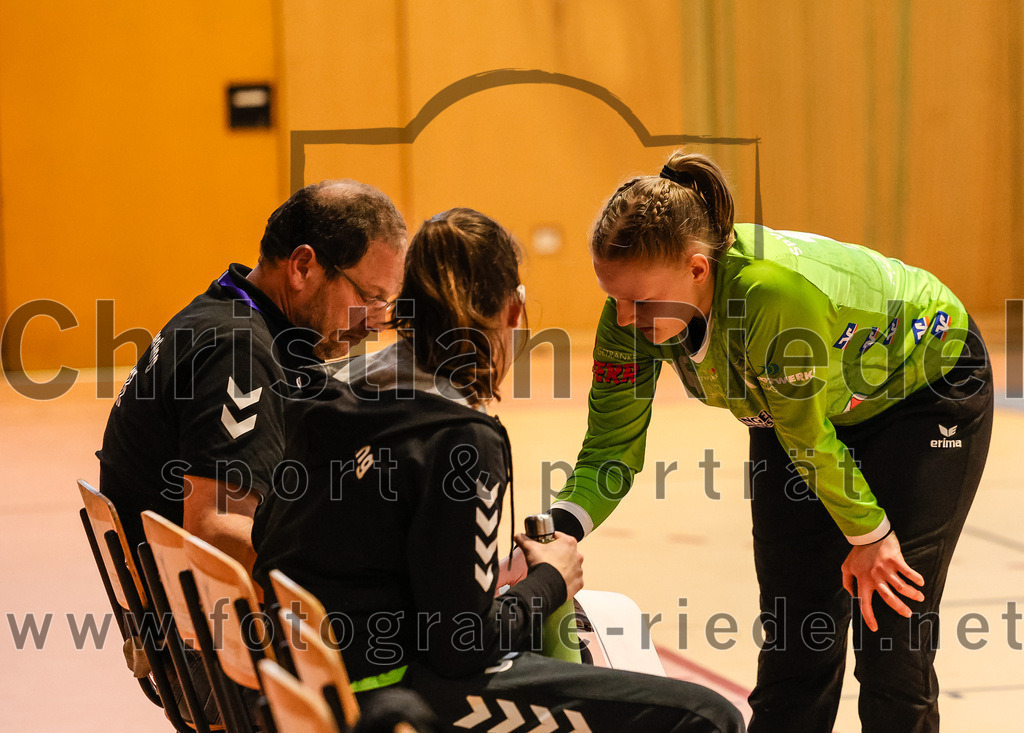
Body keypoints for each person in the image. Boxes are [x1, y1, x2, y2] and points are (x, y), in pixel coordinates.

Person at [526, 151, 993, 732]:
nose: (623, 319)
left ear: (698, 270)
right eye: (612, 297)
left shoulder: (772, 296)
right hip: (796, 414)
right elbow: (609, 449)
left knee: (892, 639)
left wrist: (869, 534)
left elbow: (809, 437)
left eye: (639, 302)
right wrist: (558, 531)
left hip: (921, 391)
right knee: (798, 634)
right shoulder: (631, 318)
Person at [252, 208, 746, 733]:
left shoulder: (330, 391)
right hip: (390, 696)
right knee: (707, 716)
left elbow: (338, 546)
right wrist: (551, 580)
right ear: (515, 311)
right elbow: (464, 647)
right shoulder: (460, 436)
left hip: (308, 675)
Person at [99, 179, 406, 571]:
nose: (376, 322)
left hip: (179, 611)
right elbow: (216, 534)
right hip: (215, 624)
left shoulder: (223, 313)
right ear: (302, 267)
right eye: (369, 298)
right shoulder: (238, 354)